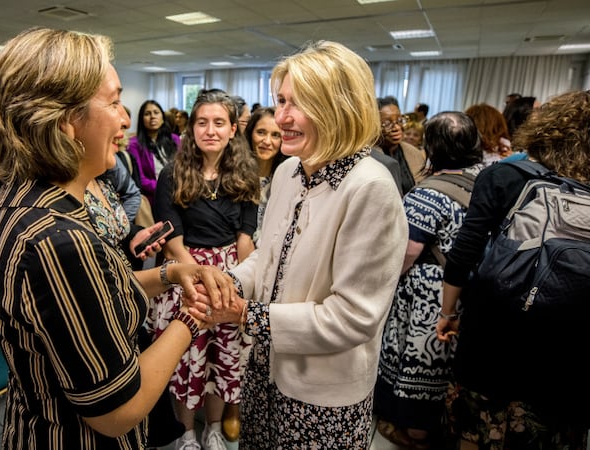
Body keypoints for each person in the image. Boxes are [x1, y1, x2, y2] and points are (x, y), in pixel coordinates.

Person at [0, 27, 235, 449]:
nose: (125, 118)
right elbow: (119, 410)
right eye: (115, 102)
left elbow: (95, 294)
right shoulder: (60, 240)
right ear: (66, 122)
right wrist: (192, 318)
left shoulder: (29, 198)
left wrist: (172, 274)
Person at [188, 40, 408, 448]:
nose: (282, 117)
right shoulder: (290, 171)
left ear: (339, 108)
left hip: (320, 396)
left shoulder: (370, 188)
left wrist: (246, 316)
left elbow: (353, 317)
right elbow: (267, 257)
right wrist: (228, 284)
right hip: (263, 372)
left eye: (298, 104)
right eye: (280, 100)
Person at [436, 90, 590, 450]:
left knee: (477, 430)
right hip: (571, 357)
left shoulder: (506, 175)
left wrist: (448, 313)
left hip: (495, 339)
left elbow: (463, 255)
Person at [149, 89, 260, 450]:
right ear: (191, 129)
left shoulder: (246, 174)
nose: (210, 130)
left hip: (230, 273)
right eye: (202, 122)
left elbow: (245, 238)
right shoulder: (172, 173)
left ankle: (213, 426)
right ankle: (186, 432)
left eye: (219, 123)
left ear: (232, 130)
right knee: (187, 360)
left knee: (221, 360)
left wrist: (238, 284)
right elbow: (172, 240)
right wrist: (199, 281)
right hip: (185, 273)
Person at [374, 111, 485, 449]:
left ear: (431, 146)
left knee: (421, 363)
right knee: (452, 365)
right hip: (472, 289)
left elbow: (406, 251)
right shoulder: (489, 180)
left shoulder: (427, 193)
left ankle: (417, 432)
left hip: (430, 295)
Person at [244, 106, 287, 244]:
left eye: (275, 135)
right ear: (250, 134)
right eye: (261, 132)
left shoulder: (288, 178)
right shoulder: (235, 177)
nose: (267, 141)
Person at [127, 100, 181, 208]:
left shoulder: (174, 139)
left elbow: (184, 167)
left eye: (156, 112)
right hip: (154, 198)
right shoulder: (134, 144)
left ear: (162, 117)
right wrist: (166, 187)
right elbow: (141, 180)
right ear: (142, 119)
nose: (152, 117)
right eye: (147, 114)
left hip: (179, 194)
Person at [377, 95, 427, 194]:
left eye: (399, 121)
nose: (396, 127)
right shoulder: (369, 156)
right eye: (387, 123)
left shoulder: (415, 153)